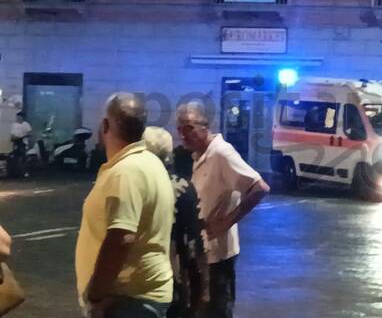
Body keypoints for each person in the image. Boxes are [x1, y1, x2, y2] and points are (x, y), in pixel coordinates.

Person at [75, 93, 175, 318]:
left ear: (105, 125)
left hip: (127, 301)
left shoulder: (126, 172)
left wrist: (95, 294)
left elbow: (121, 238)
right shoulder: (150, 163)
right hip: (138, 298)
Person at [176, 102, 270, 318]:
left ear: (205, 125)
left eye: (188, 128)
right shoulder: (197, 155)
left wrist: (226, 222)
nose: (182, 135)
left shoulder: (221, 153)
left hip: (218, 257)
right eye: (179, 129)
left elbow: (260, 187)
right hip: (202, 255)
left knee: (217, 310)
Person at [142, 127, 208, 318]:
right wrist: (200, 289)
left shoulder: (130, 183)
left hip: (133, 285)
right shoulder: (183, 187)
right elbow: (193, 245)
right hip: (171, 280)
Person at [9, 111, 32, 177]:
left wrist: (23, 136)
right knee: (15, 157)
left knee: (23, 158)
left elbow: (30, 133)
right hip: (16, 142)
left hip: (23, 142)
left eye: (19, 117)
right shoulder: (14, 125)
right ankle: (16, 172)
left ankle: (25, 172)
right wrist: (14, 138)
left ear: (22, 117)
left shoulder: (26, 124)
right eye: (17, 117)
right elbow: (12, 135)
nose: (18, 118)